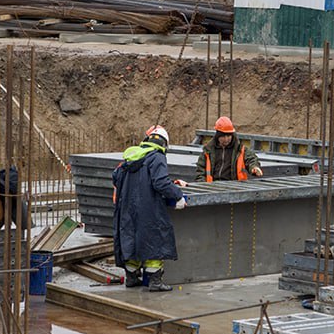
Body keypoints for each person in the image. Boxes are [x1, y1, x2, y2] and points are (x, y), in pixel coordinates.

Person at [112, 125, 185, 292]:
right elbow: (160, 183)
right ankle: (155, 282)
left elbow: (115, 177)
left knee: (132, 241)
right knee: (154, 242)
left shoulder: (130, 156)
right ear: (165, 144)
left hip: (127, 209)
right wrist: (177, 195)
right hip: (148, 208)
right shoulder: (157, 157)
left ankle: (131, 277)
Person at [195, 116, 263, 182]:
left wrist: (254, 168)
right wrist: (203, 185)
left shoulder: (239, 149)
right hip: (213, 186)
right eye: (223, 136)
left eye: (228, 136)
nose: (226, 139)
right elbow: (200, 171)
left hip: (234, 186)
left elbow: (251, 159)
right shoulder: (208, 151)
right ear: (218, 136)